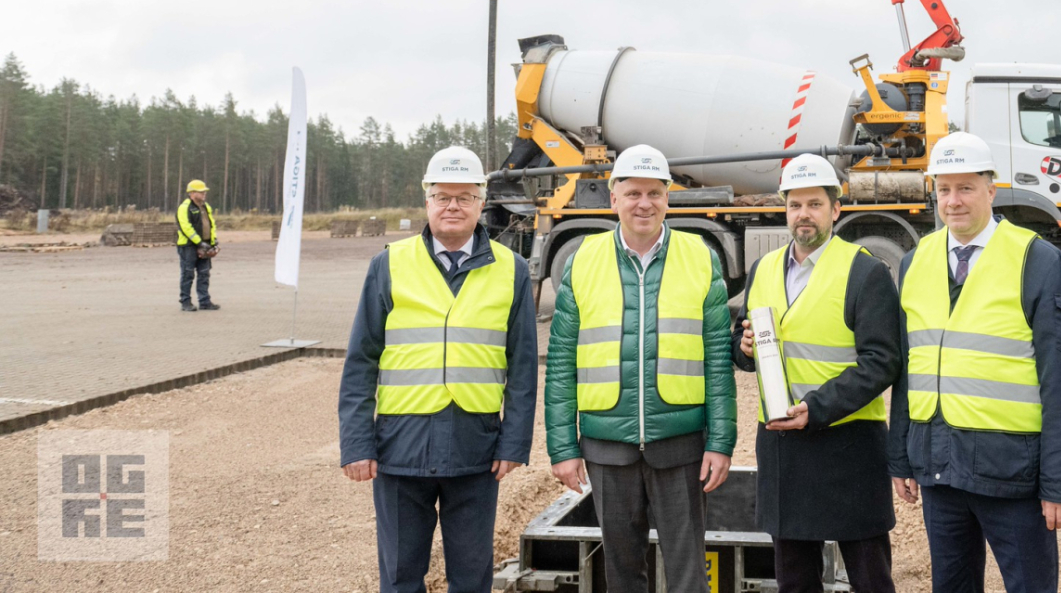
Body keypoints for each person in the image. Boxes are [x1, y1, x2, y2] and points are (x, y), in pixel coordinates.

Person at [888, 132, 1061, 593]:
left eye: (966, 188)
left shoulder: (1037, 261)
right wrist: (900, 457)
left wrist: (1060, 484)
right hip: (939, 467)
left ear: (991, 190)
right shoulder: (915, 262)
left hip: (1011, 473)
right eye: (943, 189)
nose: (953, 201)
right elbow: (907, 367)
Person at [338, 146, 538, 593]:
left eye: (464, 197)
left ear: (481, 202)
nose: (452, 206)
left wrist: (514, 442)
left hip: (476, 447)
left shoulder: (512, 270)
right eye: (443, 196)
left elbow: (522, 368)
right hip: (399, 447)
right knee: (400, 576)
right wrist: (356, 443)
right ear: (426, 200)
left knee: (470, 576)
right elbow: (361, 362)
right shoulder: (388, 264)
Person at [545, 145, 736, 593]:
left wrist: (722, 440)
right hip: (606, 446)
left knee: (689, 574)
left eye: (654, 192)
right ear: (614, 198)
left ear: (668, 197)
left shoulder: (699, 256)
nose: (644, 203)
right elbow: (560, 365)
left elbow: (716, 359)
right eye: (633, 193)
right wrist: (562, 447)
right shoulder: (583, 261)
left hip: (680, 444)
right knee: (624, 575)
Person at [731, 153, 901, 593]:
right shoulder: (764, 268)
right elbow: (749, 339)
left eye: (814, 204)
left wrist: (816, 407)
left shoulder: (865, 271)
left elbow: (882, 361)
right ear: (784, 209)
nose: (803, 214)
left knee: (869, 577)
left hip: (848, 447)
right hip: (783, 446)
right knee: (794, 579)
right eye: (794, 204)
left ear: (835, 210)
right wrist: (743, 348)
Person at [176, 179, 219, 312]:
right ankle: (185, 301)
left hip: (205, 245)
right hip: (188, 246)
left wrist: (213, 241)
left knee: (204, 274)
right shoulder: (184, 207)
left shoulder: (206, 207)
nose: (204, 194)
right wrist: (199, 242)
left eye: (204, 191)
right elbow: (186, 228)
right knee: (188, 274)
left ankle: (204, 301)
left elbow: (211, 225)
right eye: (201, 192)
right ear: (192, 193)